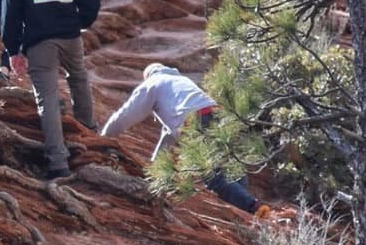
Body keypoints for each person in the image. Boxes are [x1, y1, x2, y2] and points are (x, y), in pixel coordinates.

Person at [0, 0, 101, 180]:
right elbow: (92, 3)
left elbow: (10, 12)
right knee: (79, 80)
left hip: (39, 41)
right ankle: (89, 137)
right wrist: (78, 23)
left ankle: (58, 163)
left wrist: (13, 50)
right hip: (71, 37)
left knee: (47, 97)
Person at [100, 62, 265, 213]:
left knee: (212, 176)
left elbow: (125, 116)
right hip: (219, 115)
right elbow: (168, 138)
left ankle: (255, 209)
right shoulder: (180, 82)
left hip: (196, 120)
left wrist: (103, 137)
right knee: (231, 167)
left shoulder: (152, 83)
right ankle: (247, 209)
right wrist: (155, 169)